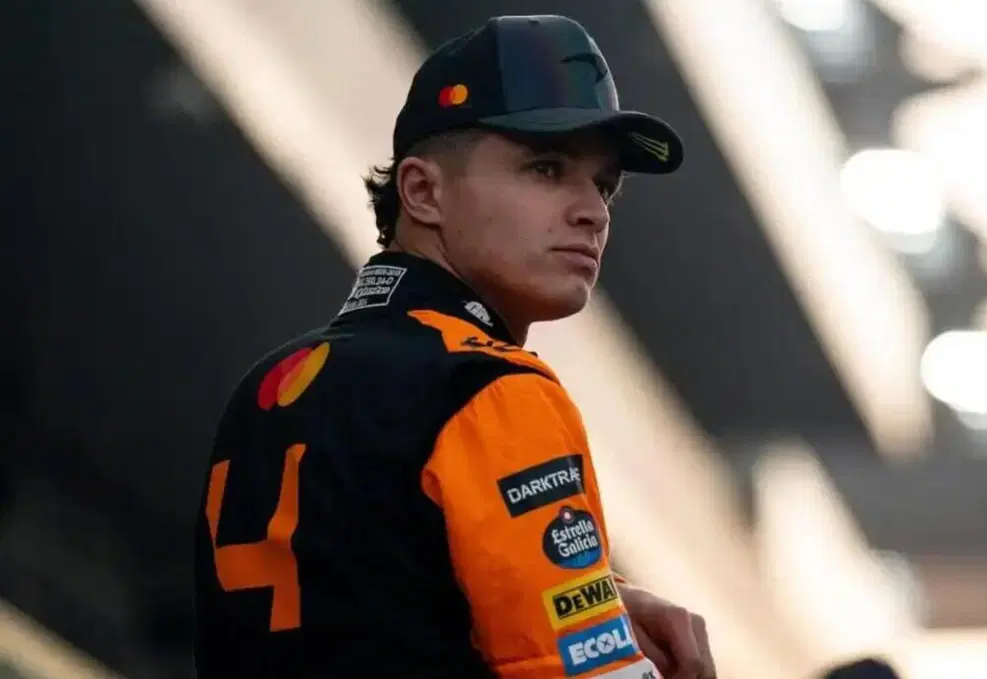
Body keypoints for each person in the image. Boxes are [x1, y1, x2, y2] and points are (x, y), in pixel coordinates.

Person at [193, 14, 715, 679]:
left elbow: (376, 595)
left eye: (604, 184)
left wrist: (601, 597)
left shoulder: (273, 384)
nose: (593, 211)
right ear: (422, 191)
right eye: (546, 167)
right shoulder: (489, 387)